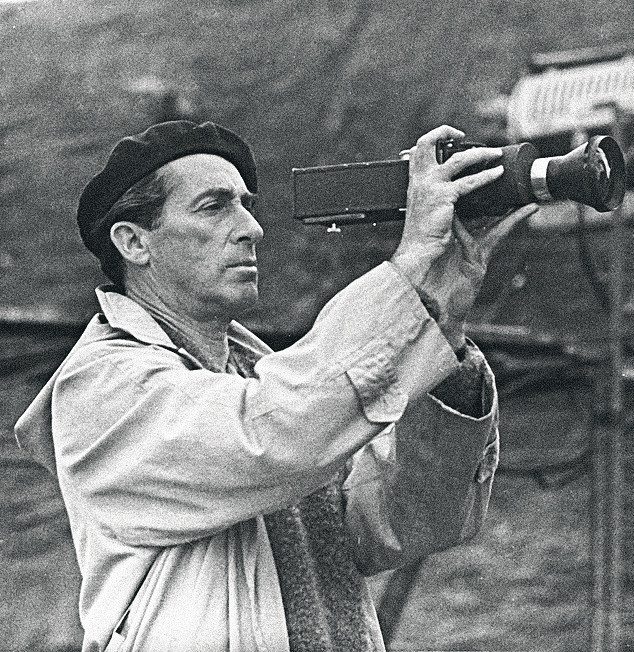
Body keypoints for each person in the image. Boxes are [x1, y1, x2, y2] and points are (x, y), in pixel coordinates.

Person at [15, 120, 540, 652]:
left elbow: (398, 525)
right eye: (213, 207)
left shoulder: (266, 381)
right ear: (133, 242)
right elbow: (272, 434)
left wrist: (443, 323)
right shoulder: (100, 386)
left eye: (246, 205)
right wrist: (409, 269)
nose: (252, 228)